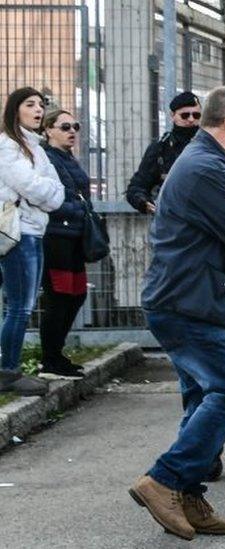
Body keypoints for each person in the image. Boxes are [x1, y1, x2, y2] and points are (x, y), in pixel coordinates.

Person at [129, 86, 225, 540]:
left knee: (203, 399)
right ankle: (164, 479)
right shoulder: (205, 168)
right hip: (186, 305)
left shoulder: (213, 163)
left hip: (195, 300)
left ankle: (189, 496)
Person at [0, 88, 66, 397]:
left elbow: (57, 190)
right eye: (30, 105)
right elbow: (29, 185)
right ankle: (8, 371)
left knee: (22, 306)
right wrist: (46, 193)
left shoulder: (36, 147)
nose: (38, 110)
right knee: (19, 307)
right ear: (16, 110)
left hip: (35, 230)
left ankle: (10, 369)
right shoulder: (8, 145)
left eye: (41, 105)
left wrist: (46, 194)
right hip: (19, 232)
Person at [38, 110, 90, 379]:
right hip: (56, 236)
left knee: (77, 293)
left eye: (75, 126)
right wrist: (78, 209)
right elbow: (49, 198)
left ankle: (56, 355)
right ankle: (50, 360)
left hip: (75, 236)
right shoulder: (45, 158)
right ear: (48, 130)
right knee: (59, 296)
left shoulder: (68, 158)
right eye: (65, 126)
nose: (72, 131)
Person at [126, 91, 200, 214]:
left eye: (196, 115)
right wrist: (144, 203)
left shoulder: (210, 145)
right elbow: (137, 187)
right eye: (185, 115)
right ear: (173, 115)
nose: (191, 119)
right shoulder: (161, 149)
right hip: (173, 221)